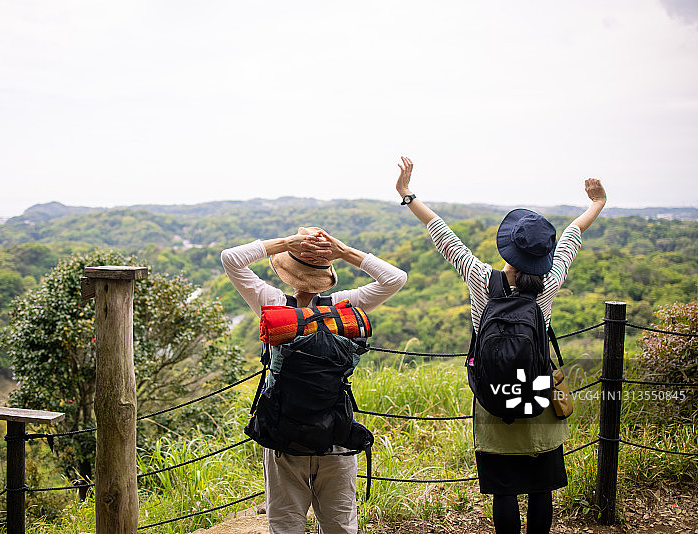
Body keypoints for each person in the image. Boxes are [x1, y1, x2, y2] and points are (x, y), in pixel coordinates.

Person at [394, 156, 607, 534]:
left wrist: (407, 193)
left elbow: (442, 233)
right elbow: (573, 235)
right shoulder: (549, 283)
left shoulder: (480, 278)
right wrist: (597, 202)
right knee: (541, 489)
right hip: (537, 393)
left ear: (507, 248)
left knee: (504, 491)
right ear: (542, 257)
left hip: (492, 396)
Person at [221, 226, 407, 534]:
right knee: (340, 526)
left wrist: (285, 243)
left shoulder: (273, 304)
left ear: (286, 271)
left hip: (285, 436)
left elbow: (231, 259)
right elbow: (395, 279)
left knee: (286, 525)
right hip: (336, 433)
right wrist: (344, 251)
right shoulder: (343, 307)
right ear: (327, 274)